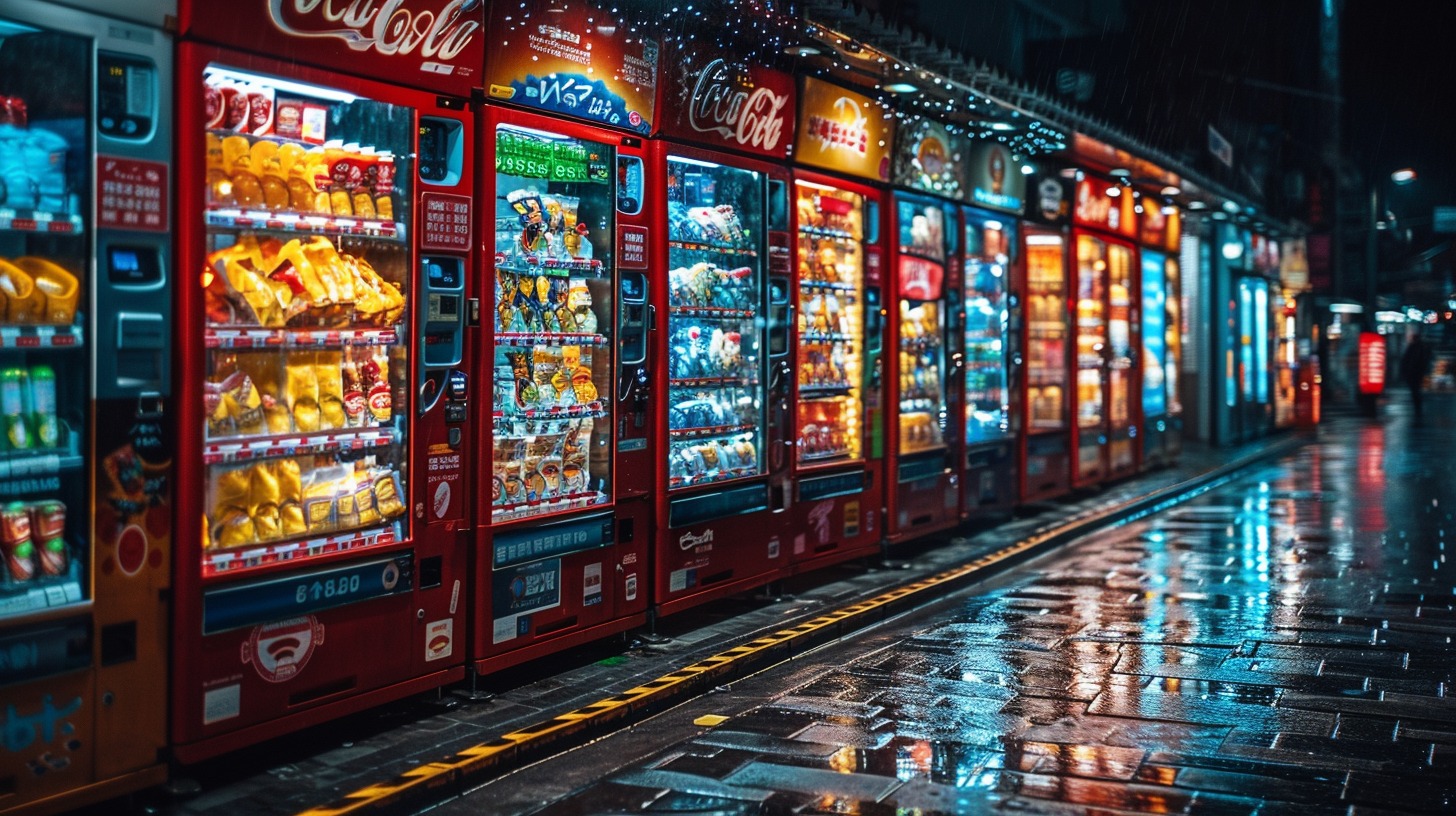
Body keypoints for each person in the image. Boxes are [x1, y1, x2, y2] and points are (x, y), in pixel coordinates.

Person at [1398, 331, 1434, 420]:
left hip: (1414, 372)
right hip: (1418, 372)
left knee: (1415, 390)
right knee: (1416, 389)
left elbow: (1406, 360)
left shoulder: (1414, 347)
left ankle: (1417, 407)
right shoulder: (1422, 347)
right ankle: (1418, 407)